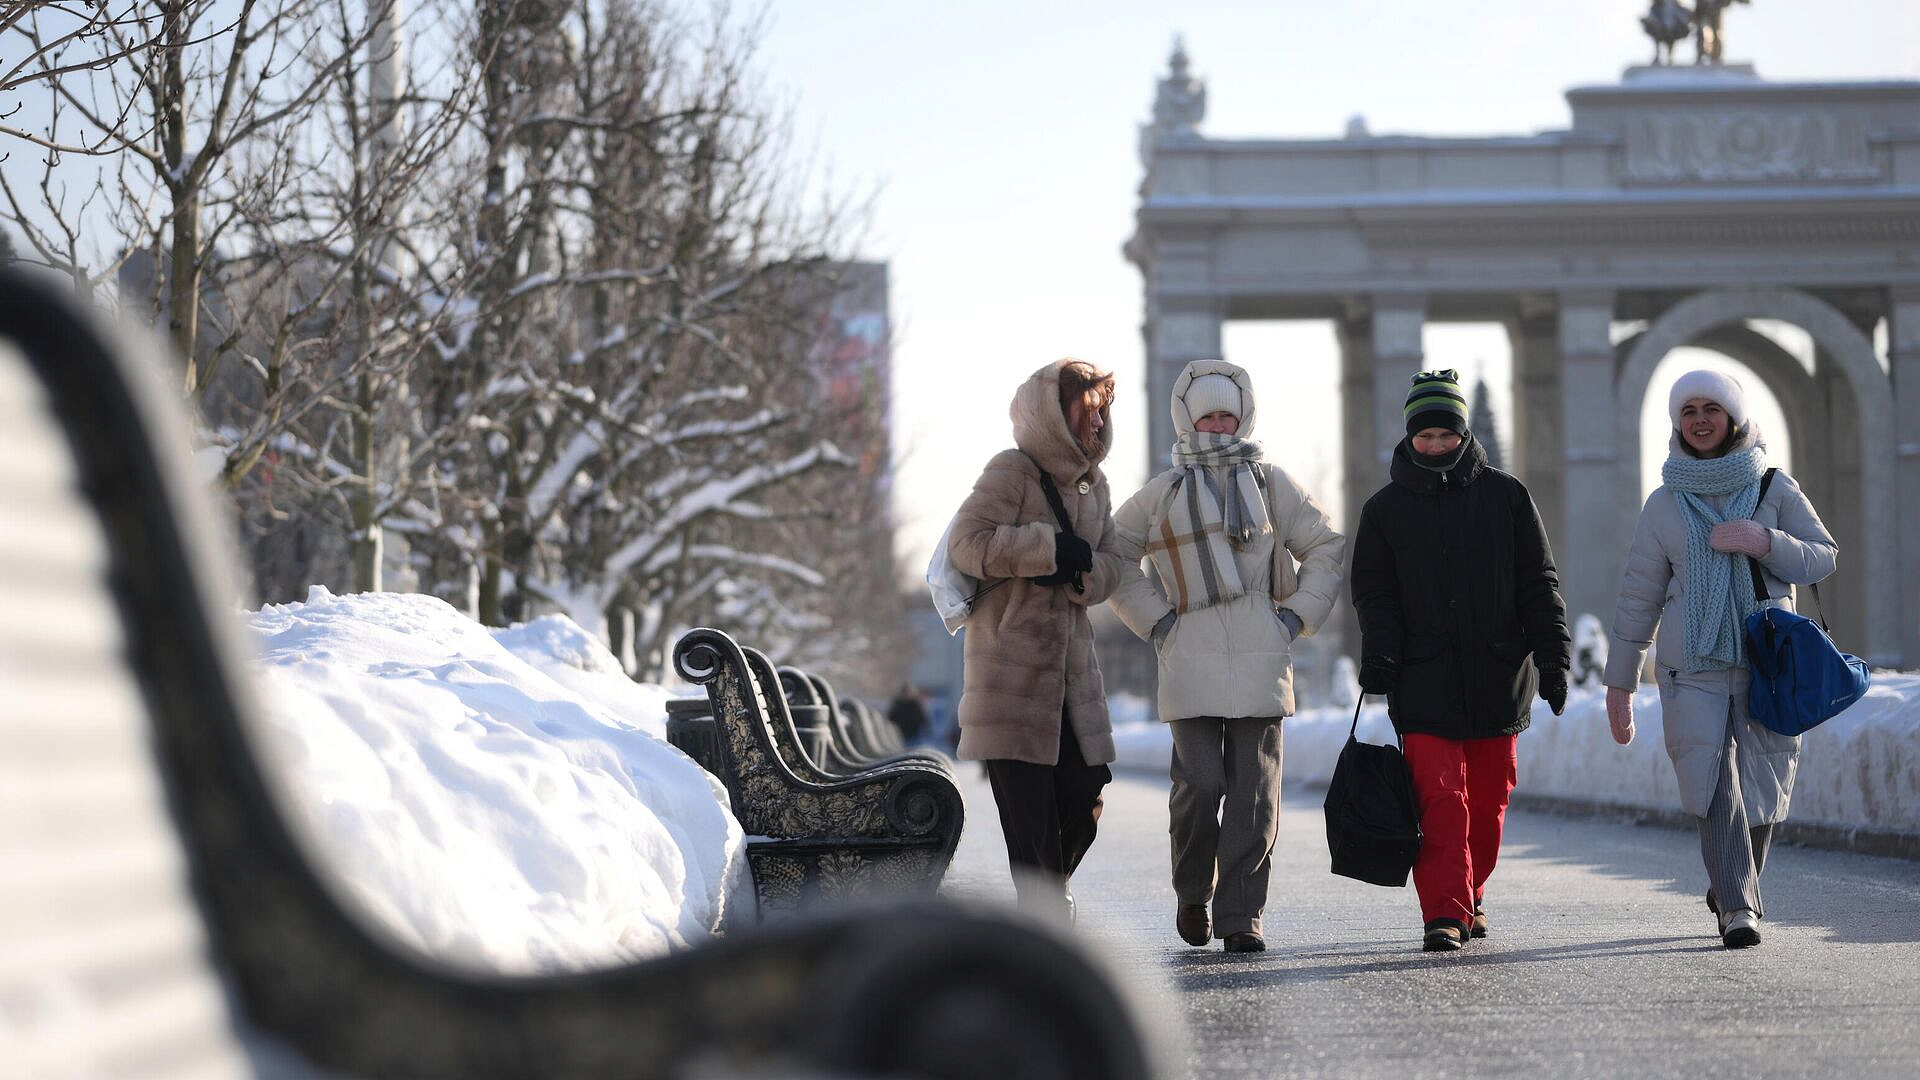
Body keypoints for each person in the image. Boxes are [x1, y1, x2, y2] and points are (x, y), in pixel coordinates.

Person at [1109, 360, 1346, 954]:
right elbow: (1112, 557)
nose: (1218, 424)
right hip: (1187, 658)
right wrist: (1157, 620)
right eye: (1208, 414)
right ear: (1188, 419)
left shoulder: (1272, 484)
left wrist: (1294, 617)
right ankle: (1194, 891)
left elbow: (1324, 547)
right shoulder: (1162, 493)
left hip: (1263, 658)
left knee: (1255, 792)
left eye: (1228, 414)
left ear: (1244, 417)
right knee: (1199, 784)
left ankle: (1242, 914)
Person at [1604, 370, 1836, 949]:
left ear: (1732, 419)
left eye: (1711, 408)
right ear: (1677, 424)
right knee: (1712, 783)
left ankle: (1736, 878)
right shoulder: (1662, 504)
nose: (1700, 420)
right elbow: (1639, 596)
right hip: (1691, 669)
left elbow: (1822, 557)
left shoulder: (1775, 488)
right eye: (1688, 411)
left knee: (1765, 782)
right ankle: (1737, 906)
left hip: (1768, 662)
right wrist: (1620, 682)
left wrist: (1765, 543)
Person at [1350, 369, 1571, 952]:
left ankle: (1470, 891)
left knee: (1489, 803)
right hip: (1422, 680)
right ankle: (1444, 912)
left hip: (1499, 676)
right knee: (1441, 799)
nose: (1435, 444)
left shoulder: (1508, 497)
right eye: (1424, 435)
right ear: (1410, 436)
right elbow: (1374, 596)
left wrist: (1554, 657)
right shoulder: (1384, 512)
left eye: (1445, 433)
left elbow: (1539, 584)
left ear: (1462, 432)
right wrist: (1380, 653)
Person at [949, 358, 1128, 922]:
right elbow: (967, 544)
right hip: (1010, 675)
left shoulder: (1095, 486)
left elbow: (1116, 563)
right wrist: (1046, 550)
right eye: (1089, 412)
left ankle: (1051, 895)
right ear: (1057, 415)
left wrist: (1082, 572)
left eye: (1104, 413)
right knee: (1028, 817)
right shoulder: (1012, 472)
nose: (1098, 425)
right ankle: (1044, 917)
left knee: (1085, 791)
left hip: (1074, 677)